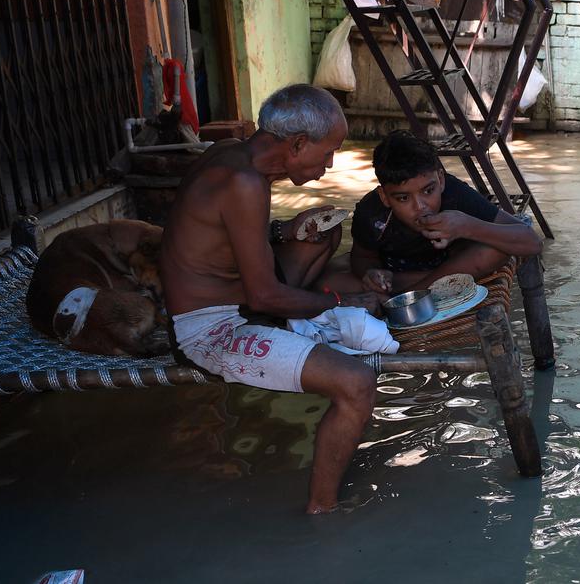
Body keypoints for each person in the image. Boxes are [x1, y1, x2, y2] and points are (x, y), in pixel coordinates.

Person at [159, 83, 385, 515]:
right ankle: (324, 510)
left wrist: (284, 231)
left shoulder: (233, 155)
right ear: (297, 143)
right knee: (356, 384)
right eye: (327, 152)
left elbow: (225, 234)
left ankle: (302, 313)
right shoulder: (243, 183)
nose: (329, 164)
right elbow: (264, 296)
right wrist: (338, 301)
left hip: (240, 298)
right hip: (210, 328)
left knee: (323, 229)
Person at [347, 130, 543, 295]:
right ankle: (428, 288)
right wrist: (373, 274)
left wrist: (466, 226)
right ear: (384, 197)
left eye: (428, 191)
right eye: (403, 198)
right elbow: (362, 258)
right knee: (330, 281)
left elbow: (531, 241)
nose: (420, 206)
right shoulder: (372, 213)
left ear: (441, 180)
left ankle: (418, 294)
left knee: (495, 251)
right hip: (405, 277)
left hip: (451, 269)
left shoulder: (455, 195)